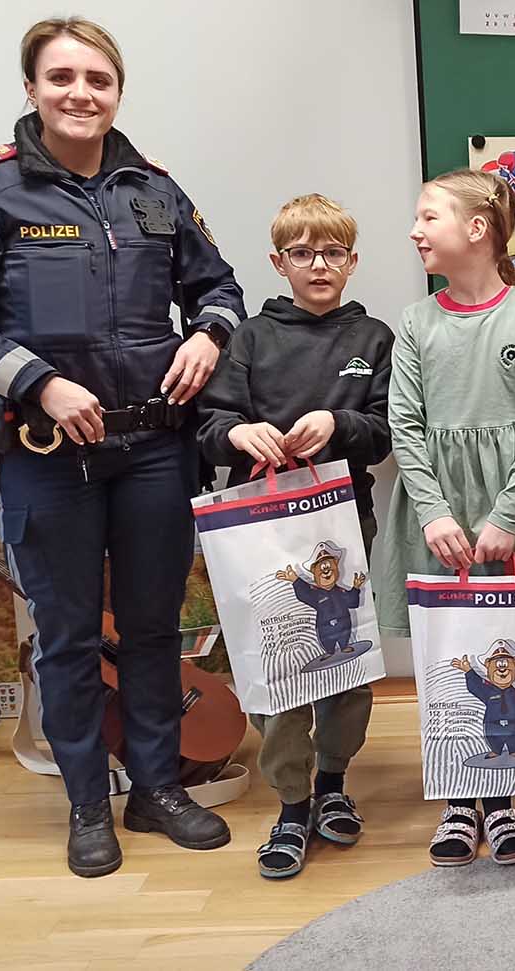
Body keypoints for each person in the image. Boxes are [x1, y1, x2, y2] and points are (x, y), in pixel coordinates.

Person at [0, 18, 244, 878]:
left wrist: (208, 334)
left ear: (118, 92)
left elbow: (219, 286)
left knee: (153, 627)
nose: (80, 93)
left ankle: (158, 788)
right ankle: (88, 803)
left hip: (154, 450)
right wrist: (39, 382)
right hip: (46, 451)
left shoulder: (154, 189)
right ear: (31, 89)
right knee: (65, 638)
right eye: (61, 77)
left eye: (98, 79)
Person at [197, 193, 393, 879]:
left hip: (343, 521)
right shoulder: (250, 337)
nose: (319, 265)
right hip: (261, 528)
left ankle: (334, 780)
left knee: (344, 658)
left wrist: (340, 425)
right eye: (303, 253)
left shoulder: (373, 339)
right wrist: (238, 432)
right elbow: (209, 425)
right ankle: (291, 800)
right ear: (279, 262)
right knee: (279, 662)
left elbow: (384, 433)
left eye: (333, 252)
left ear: (352, 261)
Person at [382, 168, 515, 867]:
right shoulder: (415, 322)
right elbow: (404, 423)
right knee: (448, 651)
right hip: (435, 510)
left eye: (428, 216)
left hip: (509, 514)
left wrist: (506, 515)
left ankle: (506, 795)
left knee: (508, 646)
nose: (415, 231)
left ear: (477, 228)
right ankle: (459, 796)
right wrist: (432, 512)